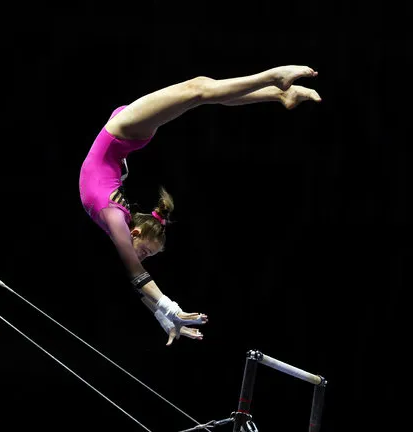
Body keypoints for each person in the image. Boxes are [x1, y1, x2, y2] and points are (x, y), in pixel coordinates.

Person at [79, 65, 321, 346]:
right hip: (123, 135)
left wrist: (169, 310)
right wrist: (165, 317)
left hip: (121, 132)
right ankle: (279, 95)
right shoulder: (117, 222)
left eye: (144, 250)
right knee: (202, 94)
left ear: (136, 234)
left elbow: (136, 275)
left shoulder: (113, 218)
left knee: (199, 88)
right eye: (148, 254)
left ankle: (274, 80)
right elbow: (139, 286)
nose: (142, 257)